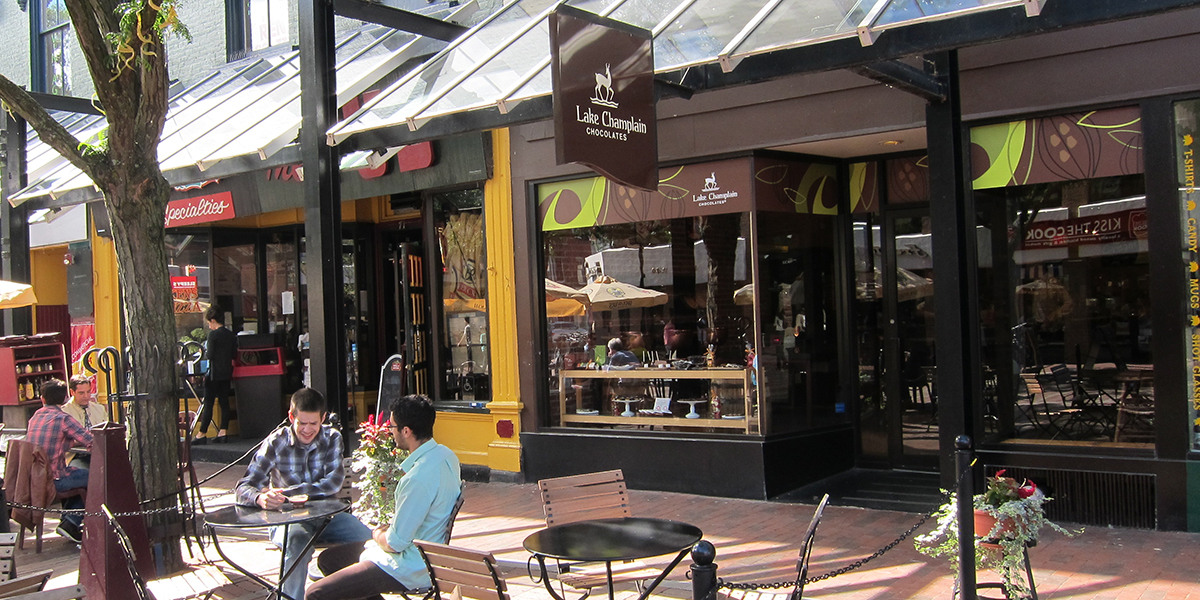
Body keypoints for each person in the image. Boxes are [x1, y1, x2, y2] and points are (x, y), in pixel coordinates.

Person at [307, 395, 461, 600]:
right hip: (427, 552)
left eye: (392, 427)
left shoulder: (417, 478)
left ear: (406, 431)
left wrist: (377, 533)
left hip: (410, 566)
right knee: (329, 559)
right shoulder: (446, 455)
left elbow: (395, 543)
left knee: (315, 594)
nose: (391, 432)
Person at [234, 388, 372, 600]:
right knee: (297, 546)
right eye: (302, 424)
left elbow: (333, 484)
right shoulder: (275, 441)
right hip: (288, 520)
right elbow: (244, 487)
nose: (307, 430)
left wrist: (287, 493)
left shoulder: (332, 438)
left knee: (369, 540)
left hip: (328, 517)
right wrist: (261, 498)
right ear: (291, 417)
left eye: (314, 424)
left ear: (323, 419)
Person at [26, 378, 92, 544]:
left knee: (79, 474)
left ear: (42, 399)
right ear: (65, 399)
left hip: (33, 478)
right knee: (96, 478)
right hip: (54, 479)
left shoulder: (35, 417)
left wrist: (70, 442)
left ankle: (68, 521)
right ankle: (70, 522)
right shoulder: (63, 418)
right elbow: (90, 440)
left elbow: (53, 441)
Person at [195, 305, 235, 444]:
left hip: (213, 373)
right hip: (226, 372)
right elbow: (234, 354)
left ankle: (202, 433)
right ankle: (223, 431)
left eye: (209, 323)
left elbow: (210, 354)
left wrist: (204, 353)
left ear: (212, 320)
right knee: (224, 402)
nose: (208, 325)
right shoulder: (230, 335)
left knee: (209, 403)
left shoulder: (213, 335)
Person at [62, 374, 106, 468]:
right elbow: (62, 441)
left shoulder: (99, 409)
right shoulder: (64, 412)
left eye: (88, 392)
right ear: (72, 392)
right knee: (82, 471)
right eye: (81, 393)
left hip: (100, 453)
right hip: (76, 456)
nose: (86, 396)